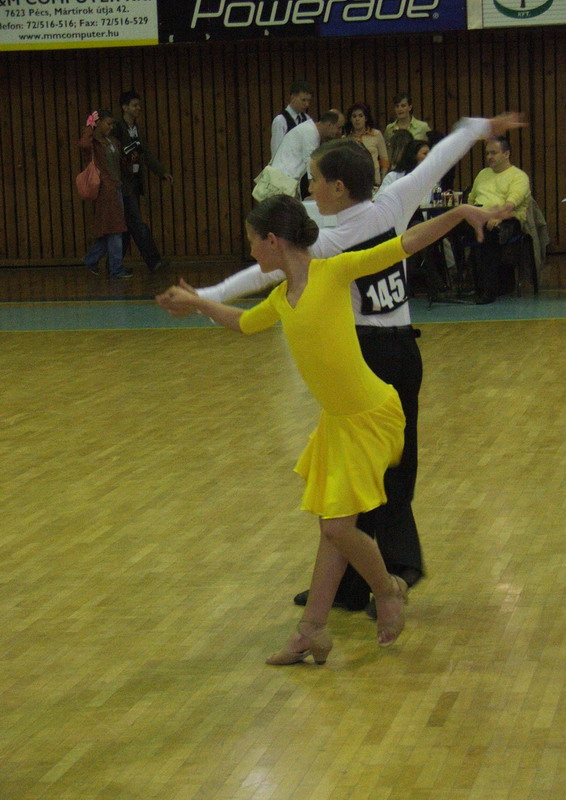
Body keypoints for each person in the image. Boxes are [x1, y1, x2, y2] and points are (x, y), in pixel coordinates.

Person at [157, 112, 525, 620]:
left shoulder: (327, 249)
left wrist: (205, 295)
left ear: (337, 187)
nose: (310, 186)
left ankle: (394, 574)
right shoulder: (391, 203)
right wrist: (478, 128)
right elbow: (440, 160)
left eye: (314, 178)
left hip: (374, 356)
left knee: (381, 475)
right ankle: (351, 584)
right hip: (393, 352)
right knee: (357, 479)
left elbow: (260, 275)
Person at [113, 91, 173, 274]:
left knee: (127, 227)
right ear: (124, 107)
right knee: (136, 223)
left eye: (139, 105)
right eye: (134, 105)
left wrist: (161, 172)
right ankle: (154, 261)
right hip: (123, 184)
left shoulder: (136, 129)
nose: (138, 108)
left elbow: (145, 154)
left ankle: (112, 265)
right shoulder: (117, 129)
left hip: (134, 183)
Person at [466, 136, 531, 304]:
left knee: (490, 233)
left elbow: (512, 203)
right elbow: (471, 199)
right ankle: (458, 284)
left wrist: (497, 217)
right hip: (480, 217)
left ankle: (488, 290)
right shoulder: (482, 174)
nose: (489, 157)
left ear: (506, 154)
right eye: (487, 153)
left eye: (493, 153)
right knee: (450, 230)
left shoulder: (518, 176)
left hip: (508, 220)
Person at [79, 109, 130, 280]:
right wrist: (89, 126)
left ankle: (91, 259)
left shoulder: (112, 141)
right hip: (106, 189)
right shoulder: (94, 143)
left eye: (112, 124)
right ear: (98, 123)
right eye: (108, 123)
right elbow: (83, 145)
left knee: (111, 229)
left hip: (116, 186)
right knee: (116, 229)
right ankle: (116, 268)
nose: (111, 127)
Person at [268, 109, 345, 199]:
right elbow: (310, 164)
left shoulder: (310, 130)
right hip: (281, 182)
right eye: (338, 127)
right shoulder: (310, 132)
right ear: (329, 125)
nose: (339, 132)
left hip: (284, 181)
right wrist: (314, 192)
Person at [344, 102, 389, 186]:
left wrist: (383, 179)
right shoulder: (345, 138)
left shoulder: (376, 134)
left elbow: (384, 159)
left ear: (366, 118)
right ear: (350, 119)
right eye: (354, 116)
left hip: (374, 181)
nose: (357, 119)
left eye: (360, 116)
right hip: (353, 182)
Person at [270, 80, 313, 158]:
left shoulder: (307, 119)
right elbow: (276, 152)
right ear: (293, 98)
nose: (307, 104)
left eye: (308, 101)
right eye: (303, 100)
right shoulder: (280, 121)